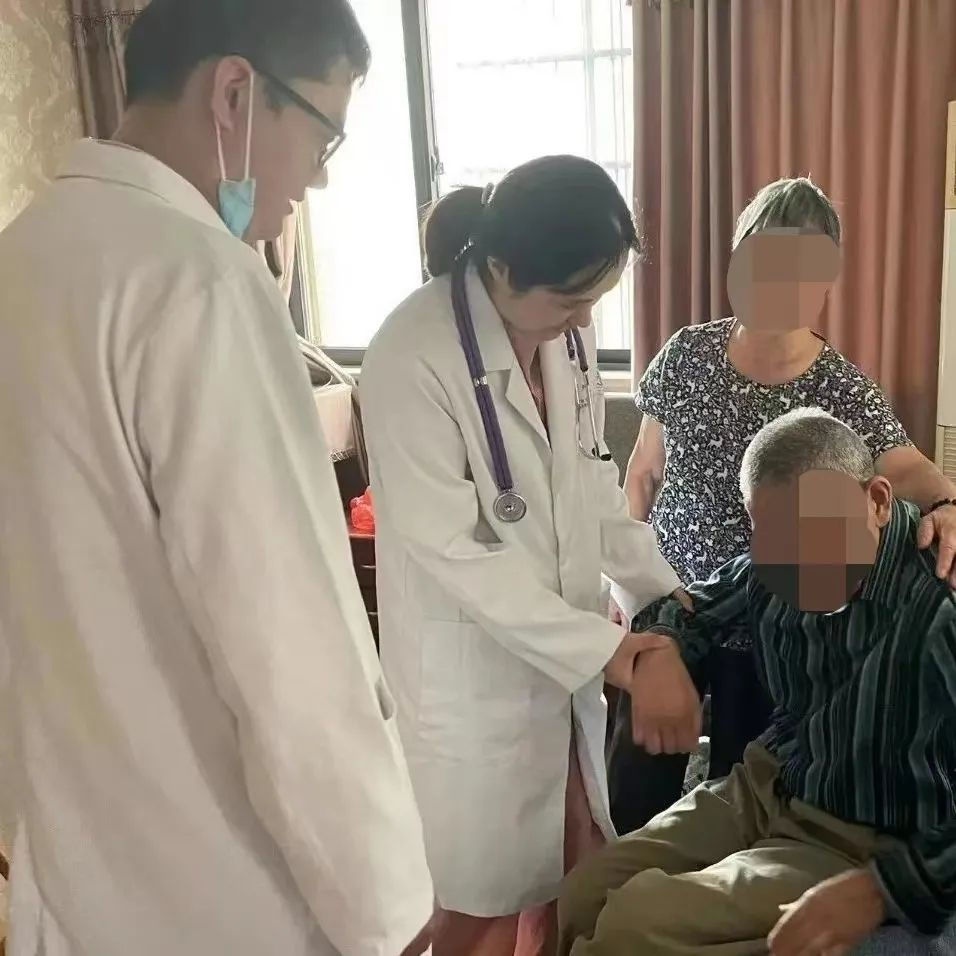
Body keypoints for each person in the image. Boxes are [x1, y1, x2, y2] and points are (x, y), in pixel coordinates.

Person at [0, 2, 433, 954]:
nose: (319, 177)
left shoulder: (22, 257)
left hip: (71, 879)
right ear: (235, 93)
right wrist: (392, 917)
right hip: (229, 891)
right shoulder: (199, 281)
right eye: (322, 135)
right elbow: (291, 652)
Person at [359, 156, 690, 956]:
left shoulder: (564, 339)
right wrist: (615, 653)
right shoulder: (411, 354)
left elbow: (592, 486)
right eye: (571, 300)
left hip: (558, 665)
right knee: (474, 908)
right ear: (502, 269)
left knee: (568, 875)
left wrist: (672, 598)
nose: (583, 321)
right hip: (475, 681)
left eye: (595, 301)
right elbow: (455, 552)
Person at [609, 177, 956, 833]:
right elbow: (643, 474)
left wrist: (947, 502)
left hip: (764, 617)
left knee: (740, 793)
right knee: (635, 777)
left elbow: (906, 467)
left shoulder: (843, 388)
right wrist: (623, 589)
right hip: (672, 599)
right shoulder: (687, 354)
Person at [559, 408, 956, 956]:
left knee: (635, 924)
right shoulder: (773, 565)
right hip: (768, 784)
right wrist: (662, 653)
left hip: (863, 833)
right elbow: (689, 608)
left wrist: (883, 888)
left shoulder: (939, 605)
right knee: (584, 892)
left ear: (878, 501)